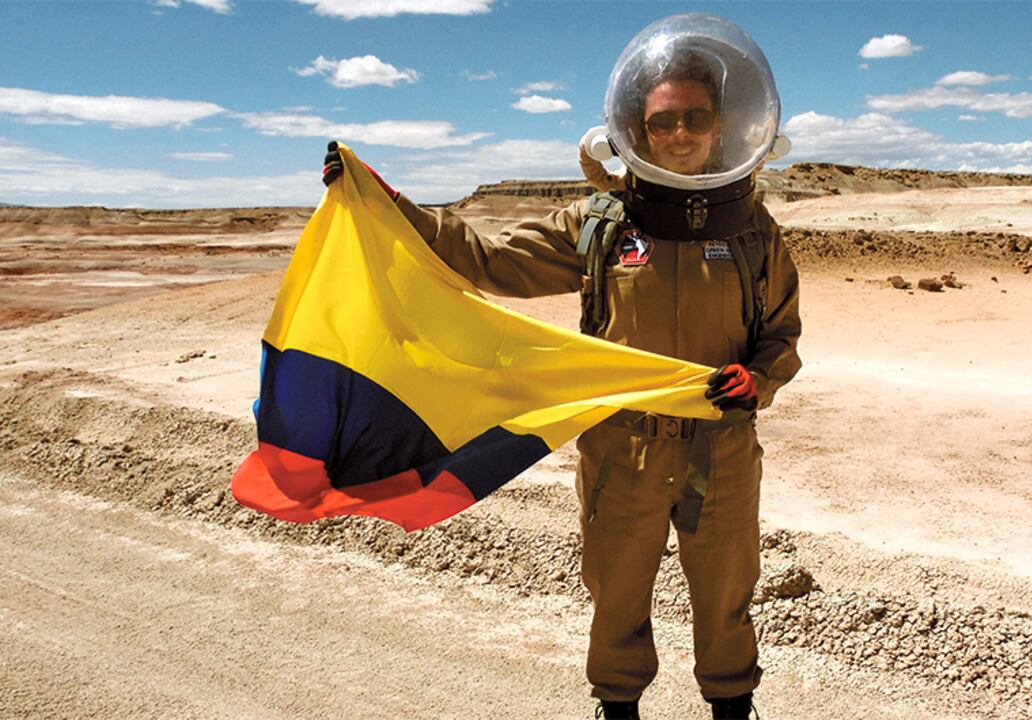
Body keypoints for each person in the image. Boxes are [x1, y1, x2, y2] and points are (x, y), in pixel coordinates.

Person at [324, 14, 800, 720]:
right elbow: (484, 258)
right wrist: (392, 207)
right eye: (662, 120)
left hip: (721, 449)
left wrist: (755, 381)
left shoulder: (756, 235)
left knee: (727, 596)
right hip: (621, 448)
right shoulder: (600, 227)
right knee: (616, 592)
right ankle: (618, 707)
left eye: (693, 118)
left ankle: (733, 707)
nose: (678, 133)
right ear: (637, 129)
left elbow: (781, 336)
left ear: (722, 124)